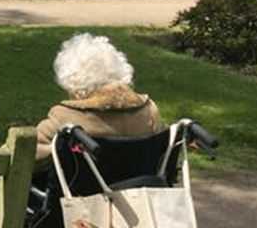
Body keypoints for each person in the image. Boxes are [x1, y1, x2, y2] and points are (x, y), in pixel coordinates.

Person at [33, 32, 163, 171]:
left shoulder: (64, 118)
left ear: (73, 81)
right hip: (138, 187)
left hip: (82, 191)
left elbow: (28, 158)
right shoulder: (149, 111)